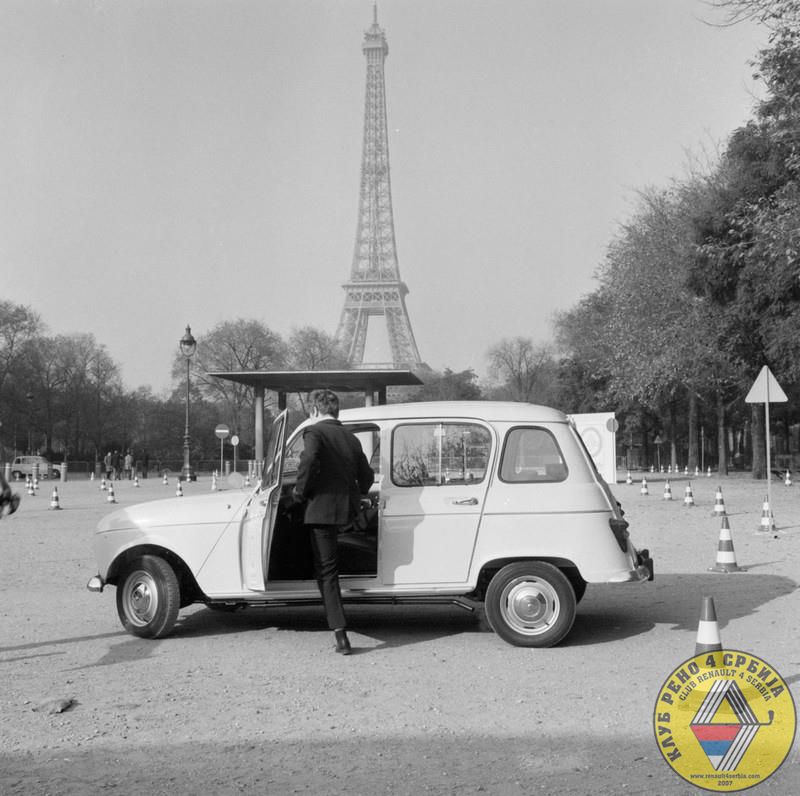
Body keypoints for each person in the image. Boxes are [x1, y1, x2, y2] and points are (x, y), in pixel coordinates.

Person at [292, 389, 374, 655]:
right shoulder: (351, 438)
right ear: (336, 411)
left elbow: (309, 461)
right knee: (337, 564)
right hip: (348, 511)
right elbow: (367, 476)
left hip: (321, 513)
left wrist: (299, 492)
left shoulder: (314, 433)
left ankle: (341, 633)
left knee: (327, 572)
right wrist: (357, 495)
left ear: (315, 411)